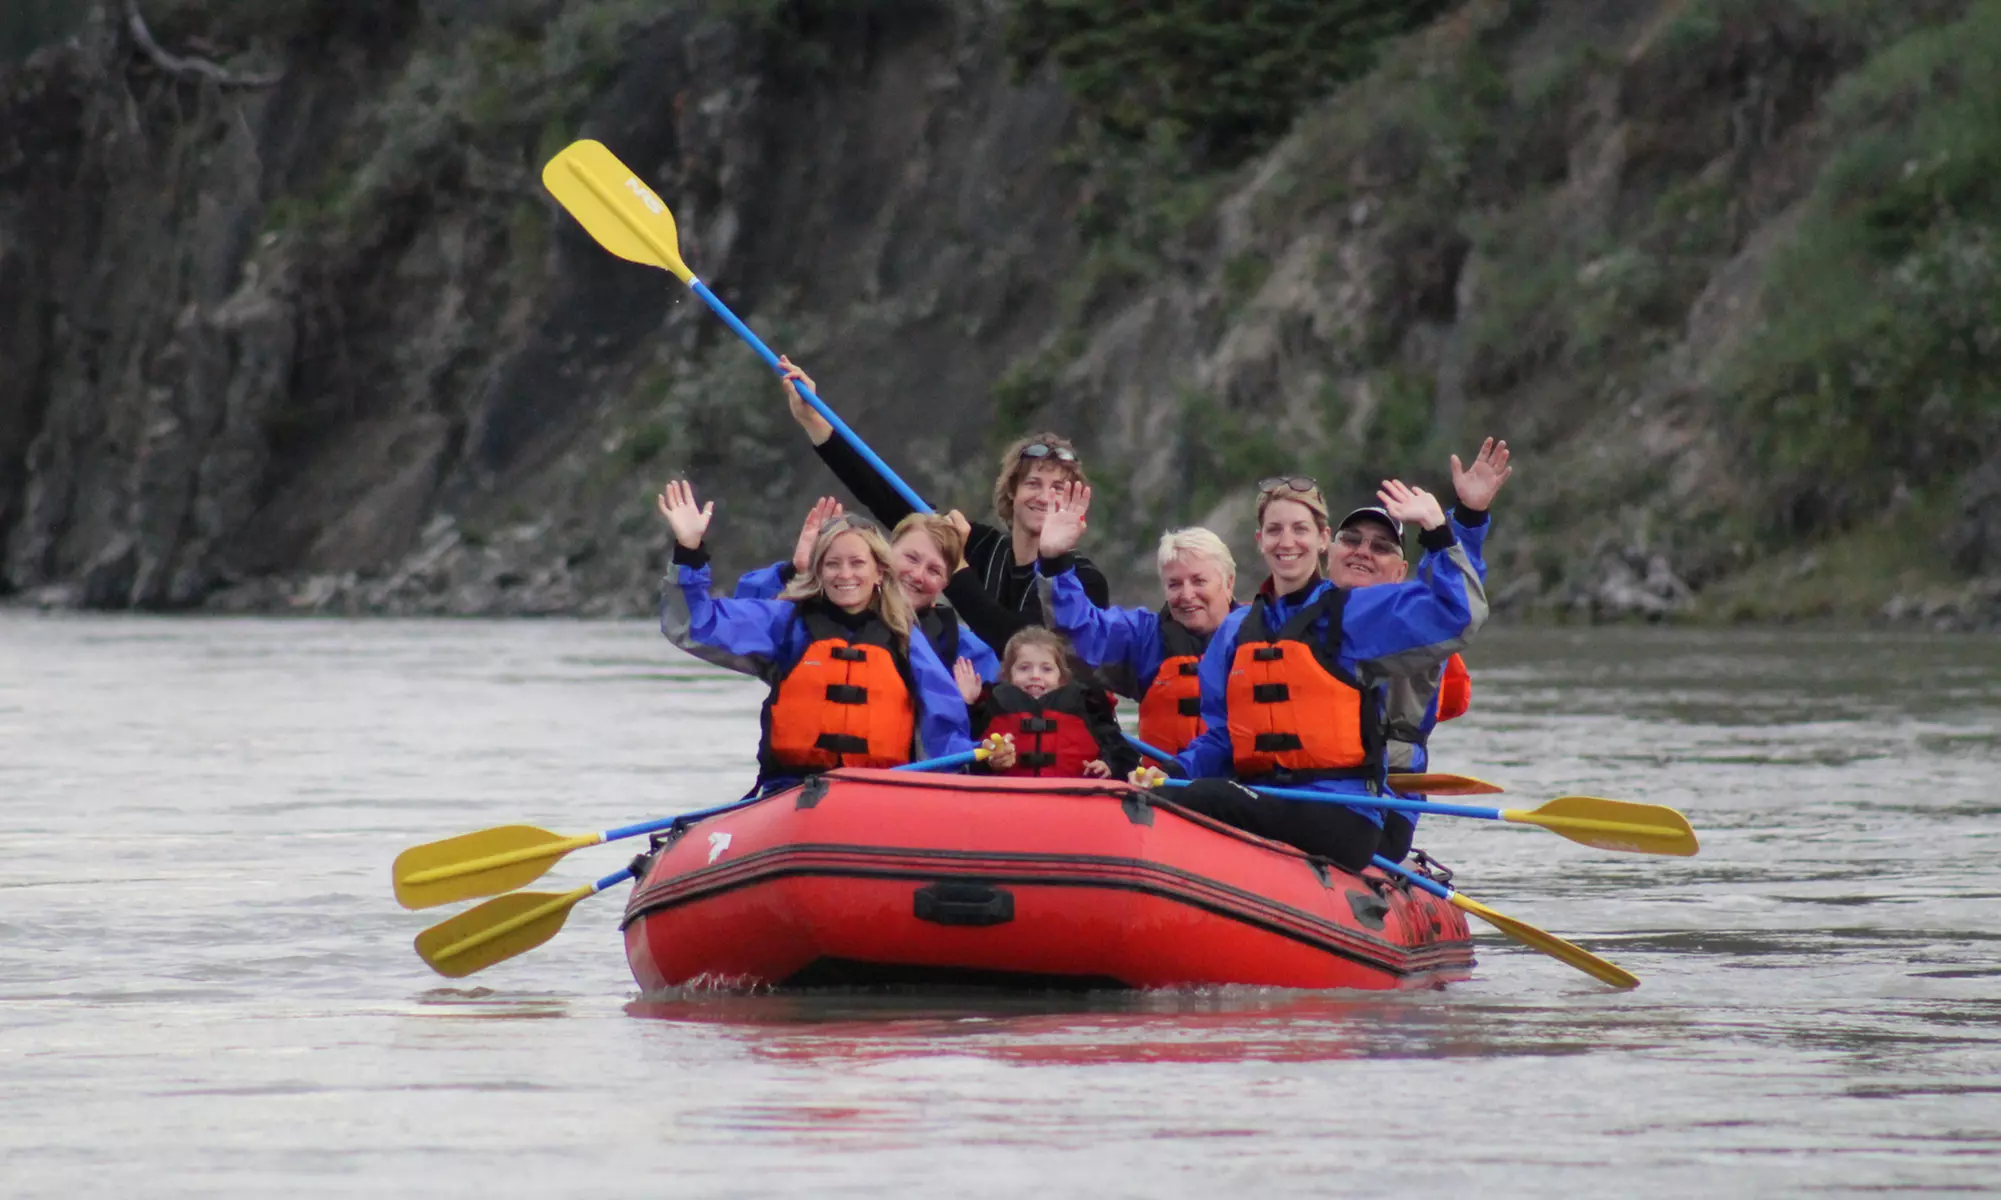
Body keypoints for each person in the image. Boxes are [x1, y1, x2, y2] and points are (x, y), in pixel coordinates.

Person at [1144, 476, 1485, 873]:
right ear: (1260, 540)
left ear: (1323, 539)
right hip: (1267, 797)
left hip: (1341, 812)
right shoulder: (1235, 631)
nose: (1286, 541)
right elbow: (1222, 737)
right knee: (1174, 794)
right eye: (1275, 530)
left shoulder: (1354, 614)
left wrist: (1441, 530)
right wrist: (1171, 772)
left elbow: (1458, 615)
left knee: (1210, 798)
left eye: (1299, 529)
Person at [655, 480, 1003, 794]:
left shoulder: (908, 641)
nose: (845, 575)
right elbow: (695, 623)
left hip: (881, 794)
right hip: (793, 793)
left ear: (879, 571)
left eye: (857, 564)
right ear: (818, 569)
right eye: (833, 564)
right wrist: (689, 549)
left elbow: (943, 728)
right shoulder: (786, 621)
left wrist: (980, 758)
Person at [774, 357, 1112, 648]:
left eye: (1058, 489)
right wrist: (814, 421)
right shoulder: (982, 547)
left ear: (1074, 502)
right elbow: (885, 496)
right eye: (1033, 484)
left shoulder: (1083, 579)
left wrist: (958, 566)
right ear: (1012, 492)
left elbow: (1019, 641)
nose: (1043, 497)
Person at [1328, 438, 1510, 861]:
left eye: (1381, 547)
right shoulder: (1291, 615)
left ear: (1400, 571)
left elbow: (1452, 600)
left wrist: (1462, 519)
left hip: (1381, 805)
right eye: (1351, 540)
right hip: (1306, 787)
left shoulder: (1413, 622)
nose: (1362, 551)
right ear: (1328, 553)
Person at [1037, 493, 1239, 761]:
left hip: (1245, 788)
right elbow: (1081, 632)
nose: (1187, 595)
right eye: (1174, 584)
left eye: (1199, 581)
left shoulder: (1260, 632)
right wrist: (1055, 562)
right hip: (1168, 787)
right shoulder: (1144, 638)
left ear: (1228, 582)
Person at [733, 497, 1003, 684]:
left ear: (946, 583)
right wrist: (795, 571)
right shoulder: (823, 615)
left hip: (904, 766)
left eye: (934, 570)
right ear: (884, 555)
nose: (917, 575)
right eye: (910, 558)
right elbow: (739, 623)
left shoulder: (963, 648)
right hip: (809, 767)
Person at [961, 628, 1139, 780]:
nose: (1035, 675)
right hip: (1008, 803)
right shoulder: (989, 706)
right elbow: (960, 750)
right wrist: (968, 705)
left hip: (1073, 804)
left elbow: (1123, 754)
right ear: (1007, 676)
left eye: (1046, 669)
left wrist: (1108, 766)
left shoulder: (1087, 706)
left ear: (1061, 678)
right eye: (1024, 668)